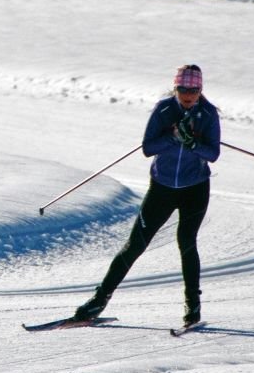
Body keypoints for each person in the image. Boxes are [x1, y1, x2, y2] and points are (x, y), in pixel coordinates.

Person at [74, 64, 221, 326]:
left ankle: (193, 307)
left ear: (201, 90)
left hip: (194, 188)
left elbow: (213, 154)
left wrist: (192, 143)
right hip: (162, 187)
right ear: (175, 88)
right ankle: (98, 300)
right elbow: (148, 147)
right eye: (183, 89)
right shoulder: (164, 109)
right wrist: (174, 136)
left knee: (186, 241)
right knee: (135, 245)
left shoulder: (208, 114)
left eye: (194, 89)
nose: (188, 94)